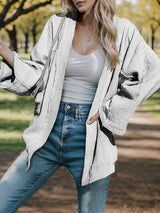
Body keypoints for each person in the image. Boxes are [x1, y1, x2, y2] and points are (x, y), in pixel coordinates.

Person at [1, 0, 160, 212]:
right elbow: (37, 78)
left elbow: (153, 72)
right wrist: (4, 50)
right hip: (47, 133)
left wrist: (110, 111)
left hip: (91, 139)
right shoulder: (57, 25)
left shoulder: (122, 31)